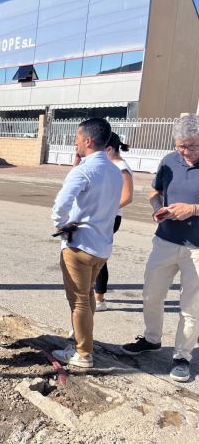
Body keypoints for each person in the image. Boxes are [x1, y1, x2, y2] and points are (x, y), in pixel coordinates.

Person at [121, 114, 199, 383]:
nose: (185, 152)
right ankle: (152, 339)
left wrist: (193, 209)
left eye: (192, 146)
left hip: (197, 250)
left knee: (191, 306)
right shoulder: (169, 160)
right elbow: (155, 192)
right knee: (151, 295)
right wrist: (157, 209)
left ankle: (182, 357)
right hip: (166, 240)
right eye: (180, 146)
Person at [51, 118, 123, 368]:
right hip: (102, 245)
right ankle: (82, 341)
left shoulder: (82, 171)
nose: (75, 142)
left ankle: (82, 353)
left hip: (79, 245)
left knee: (79, 300)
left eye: (77, 138)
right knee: (88, 294)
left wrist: (60, 224)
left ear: (88, 141)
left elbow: (61, 204)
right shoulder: (115, 170)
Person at [74, 133, 134, 311]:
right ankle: (85, 291)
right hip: (96, 216)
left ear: (108, 149)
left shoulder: (121, 167)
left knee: (97, 255)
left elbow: (127, 197)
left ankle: (99, 298)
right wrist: (77, 160)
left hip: (109, 217)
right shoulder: (106, 165)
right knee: (88, 252)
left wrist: (104, 209)